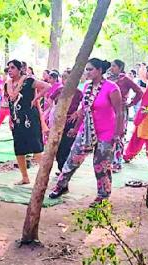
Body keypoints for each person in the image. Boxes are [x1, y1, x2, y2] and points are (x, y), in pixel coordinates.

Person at [49, 58, 123, 206]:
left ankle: (103, 195)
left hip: (106, 132)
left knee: (101, 165)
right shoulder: (87, 87)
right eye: (86, 69)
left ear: (100, 70)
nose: (87, 72)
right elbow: (84, 109)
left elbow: (119, 113)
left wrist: (117, 134)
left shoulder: (112, 87)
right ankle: (61, 186)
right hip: (87, 130)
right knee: (72, 159)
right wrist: (76, 129)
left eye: (90, 69)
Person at [4, 59, 50, 185]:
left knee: (36, 148)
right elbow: (10, 102)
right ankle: (25, 177)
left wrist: (35, 98)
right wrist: (10, 117)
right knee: (19, 149)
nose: (10, 70)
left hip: (30, 118)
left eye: (13, 67)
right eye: (9, 68)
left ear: (20, 69)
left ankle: (43, 178)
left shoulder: (28, 81)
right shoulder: (7, 84)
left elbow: (47, 86)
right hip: (16, 119)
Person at [124, 65, 148, 164]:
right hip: (144, 115)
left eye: (147, 72)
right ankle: (128, 155)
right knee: (136, 137)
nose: (146, 74)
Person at [109, 59, 143, 172]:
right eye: (111, 66)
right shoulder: (108, 79)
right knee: (108, 135)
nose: (111, 68)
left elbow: (139, 91)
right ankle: (108, 162)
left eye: (114, 66)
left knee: (119, 134)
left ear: (120, 67)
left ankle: (117, 163)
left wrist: (131, 103)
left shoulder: (125, 79)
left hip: (121, 109)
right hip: (108, 110)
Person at [48, 69, 83, 172]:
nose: (64, 79)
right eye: (63, 77)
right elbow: (50, 99)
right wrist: (54, 109)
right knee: (57, 146)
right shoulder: (59, 90)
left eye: (66, 77)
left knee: (66, 146)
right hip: (58, 121)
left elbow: (85, 105)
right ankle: (61, 167)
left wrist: (76, 113)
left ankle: (65, 169)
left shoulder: (78, 92)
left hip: (71, 122)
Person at [0, 67, 11, 132]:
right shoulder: (6, 80)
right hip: (5, 104)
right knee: (3, 119)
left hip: (7, 104)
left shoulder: (7, 79)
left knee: (7, 119)